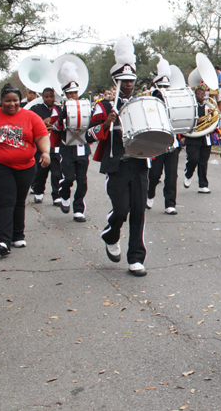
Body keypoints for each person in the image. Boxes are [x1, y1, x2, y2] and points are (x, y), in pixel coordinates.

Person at [88, 36, 150, 277]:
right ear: (116, 81)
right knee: (121, 209)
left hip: (140, 163)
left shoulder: (141, 103)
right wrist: (106, 123)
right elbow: (89, 135)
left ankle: (136, 257)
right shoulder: (103, 106)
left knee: (138, 210)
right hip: (116, 165)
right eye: (124, 81)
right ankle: (110, 235)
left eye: (131, 80)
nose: (129, 85)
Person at [0, 84, 49, 256]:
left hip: (26, 166)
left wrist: (45, 152)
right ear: (1, 101)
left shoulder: (31, 117)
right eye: (7, 101)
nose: (12, 104)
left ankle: (17, 235)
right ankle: (1, 241)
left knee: (19, 200)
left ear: (19, 100)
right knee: (4, 201)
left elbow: (42, 136)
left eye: (15, 100)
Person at [52, 62, 90, 222]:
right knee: (69, 177)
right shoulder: (57, 108)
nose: (73, 96)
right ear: (65, 94)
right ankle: (64, 193)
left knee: (82, 180)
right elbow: (55, 128)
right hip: (67, 148)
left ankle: (79, 209)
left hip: (82, 147)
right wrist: (61, 118)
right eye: (70, 93)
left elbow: (92, 124)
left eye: (75, 92)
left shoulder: (86, 105)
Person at [147, 60, 180, 215]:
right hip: (157, 142)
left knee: (172, 174)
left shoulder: (175, 98)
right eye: (162, 86)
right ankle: (150, 193)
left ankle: (170, 203)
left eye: (167, 86)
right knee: (154, 173)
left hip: (172, 141)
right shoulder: (152, 98)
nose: (165, 89)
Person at [30, 87, 62, 205]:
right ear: (42, 97)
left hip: (56, 144)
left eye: (51, 96)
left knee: (57, 172)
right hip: (41, 145)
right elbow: (31, 124)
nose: (49, 99)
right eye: (46, 97)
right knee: (41, 172)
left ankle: (56, 195)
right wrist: (43, 122)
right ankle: (38, 192)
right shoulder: (36, 109)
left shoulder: (60, 109)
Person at [183, 87, 214, 194]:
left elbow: (214, 120)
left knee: (203, 162)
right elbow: (185, 120)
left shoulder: (209, 107)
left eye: (203, 94)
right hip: (193, 137)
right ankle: (188, 174)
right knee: (193, 159)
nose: (202, 96)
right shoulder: (191, 107)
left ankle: (203, 185)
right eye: (200, 94)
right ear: (195, 95)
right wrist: (197, 121)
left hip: (205, 137)